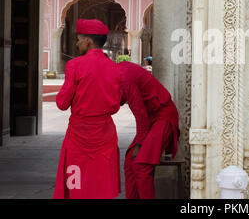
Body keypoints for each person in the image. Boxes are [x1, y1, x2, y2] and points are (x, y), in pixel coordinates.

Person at [53, 19, 122, 199]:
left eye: (79, 39)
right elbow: (115, 106)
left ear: (89, 42)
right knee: (101, 184)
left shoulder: (75, 65)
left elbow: (62, 103)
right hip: (104, 133)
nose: (77, 43)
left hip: (78, 134)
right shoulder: (114, 67)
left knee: (76, 182)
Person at [117, 60, 179, 199]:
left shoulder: (125, 77)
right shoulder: (119, 70)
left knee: (141, 165)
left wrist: (140, 144)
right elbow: (118, 100)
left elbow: (141, 116)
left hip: (164, 117)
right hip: (151, 119)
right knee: (129, 163)